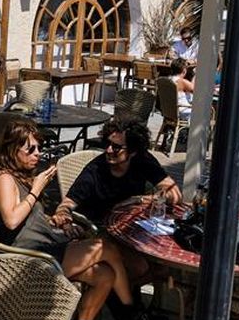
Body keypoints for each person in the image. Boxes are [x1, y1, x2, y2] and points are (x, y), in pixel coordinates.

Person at [0, 119, 136, 320]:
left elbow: (29, 218)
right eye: (31, 150)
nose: (37, 154)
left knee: (104, 275)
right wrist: (37, 189)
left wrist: (56, 221)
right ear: (11, 150)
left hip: (44, 247)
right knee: (105, 247)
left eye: (38, 148)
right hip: (27, 261)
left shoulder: (23, 177)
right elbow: (12, 220)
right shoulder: (5, 178)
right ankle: (127, 308)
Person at [55, 119, 181, 296]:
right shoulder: (95, 170)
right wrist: (64, 216)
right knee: (140, 267)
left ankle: (126, 305)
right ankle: (120, 305)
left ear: (133, 152)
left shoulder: (143, 161)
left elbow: (174, 194)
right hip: (99, 230)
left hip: (131, 229)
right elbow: (66, 204)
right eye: (107, 144)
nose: (108, 150)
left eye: (116, 147)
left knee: (162, 265)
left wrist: (144, 199)